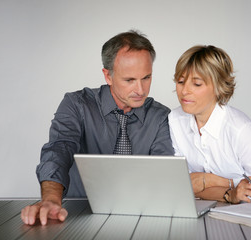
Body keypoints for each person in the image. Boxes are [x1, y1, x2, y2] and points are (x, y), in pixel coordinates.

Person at [21, 30, 174, 226]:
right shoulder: (76, 105)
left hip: (141, 218)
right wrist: (51, 199)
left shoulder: (161, 117)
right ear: (108, 76)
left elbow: (164, 173)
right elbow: (59, 149)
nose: (141, 90)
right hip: (77, 215)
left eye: (146, 77)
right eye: (129, 80)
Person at [168, 45, 251, 204]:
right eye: (181, 81)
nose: (184, 91)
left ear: (218, 87)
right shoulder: (175, 120)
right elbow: (180, 185)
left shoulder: (242, 132)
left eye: (196, 84)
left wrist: (204, 182)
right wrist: (229, 188)